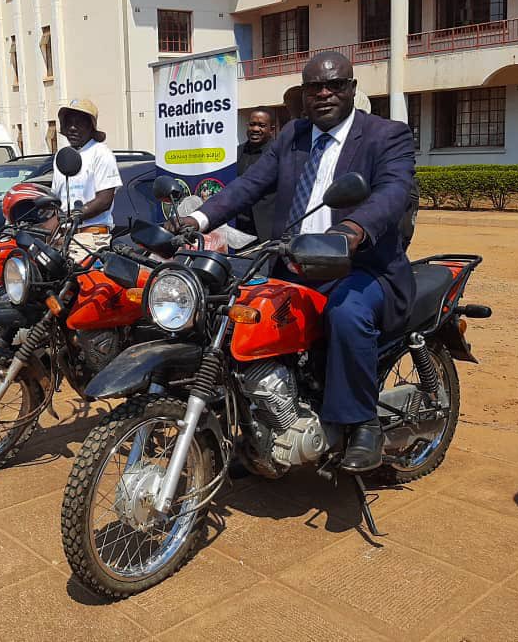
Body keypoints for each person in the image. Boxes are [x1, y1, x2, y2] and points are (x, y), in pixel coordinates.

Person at [175, 51, 417, 472]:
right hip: (293, 264)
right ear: (303, 94)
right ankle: (256, 422)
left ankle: (362, 425)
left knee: (347, 314)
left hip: (362, 266)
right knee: (230, 310)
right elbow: (248, 185)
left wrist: (353, 230)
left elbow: (393, 192)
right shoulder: (291, 137)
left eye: (335, 85)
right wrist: (196, 219)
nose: (324, 93)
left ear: (352, 90)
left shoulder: (385, 135)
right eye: (314, 87)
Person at [51, 98, 122, 256]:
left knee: (71, 277)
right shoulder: (61, 156)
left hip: (91, 238)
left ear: (91, 126)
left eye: (79, 123)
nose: (73, 128)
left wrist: (68, 218)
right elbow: (57, 201)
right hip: (63, 236)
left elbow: (104, 200)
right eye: (69, 123)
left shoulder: (101, 153)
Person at [233, 107, 277, 242]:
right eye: (252, 124)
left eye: (262, 125)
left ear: (272, 129)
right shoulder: (236, 152)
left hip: (266, 232)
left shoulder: (279, 153)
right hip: (237, 230)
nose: (256, 129)